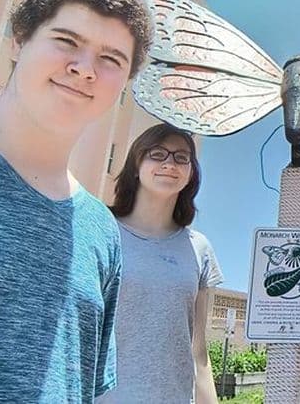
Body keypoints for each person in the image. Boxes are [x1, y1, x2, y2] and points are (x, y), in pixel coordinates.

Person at [0, 0, 152, 402]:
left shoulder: (102, 230)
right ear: (19, 40)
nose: (85, 69)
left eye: (111, 60)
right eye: (67, 42)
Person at [96, 123, 223, 403]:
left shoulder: (199, 248)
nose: (169, 163)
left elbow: (199, 353)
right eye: (157, 154)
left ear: (191, 174)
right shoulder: (100, 229)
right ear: (136, 164)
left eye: (181, 157)